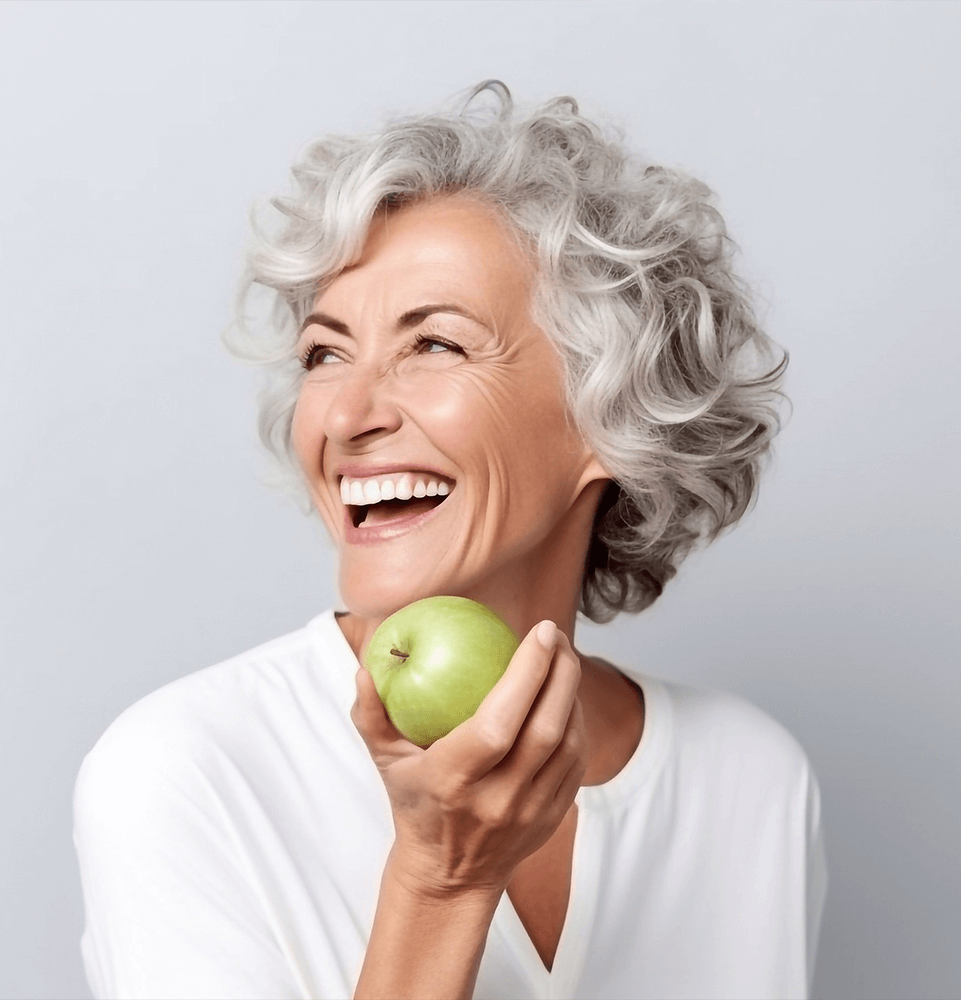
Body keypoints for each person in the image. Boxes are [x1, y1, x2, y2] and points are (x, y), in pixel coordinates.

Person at [73, 81, 826, 999]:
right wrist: (439, 883)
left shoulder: (750, 780)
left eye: (434, 345)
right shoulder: (183, 770)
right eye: (324, 353)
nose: (344, 416)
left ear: (614, 410)